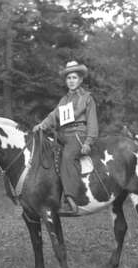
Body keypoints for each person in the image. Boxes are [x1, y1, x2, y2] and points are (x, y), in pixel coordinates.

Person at [32, 61, 98, 213]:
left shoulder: (87, 98)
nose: (71, 81)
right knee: (47, 156)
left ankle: (71, 200)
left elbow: (93, 123)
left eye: (74, 77)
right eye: (69, 78)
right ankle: (50, 196)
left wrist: (89, 141)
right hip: (62, 135)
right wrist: (42, 125)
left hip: (78, 135)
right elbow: (53, 116)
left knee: (67, 158)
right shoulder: (63, 100)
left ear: (80, 79)